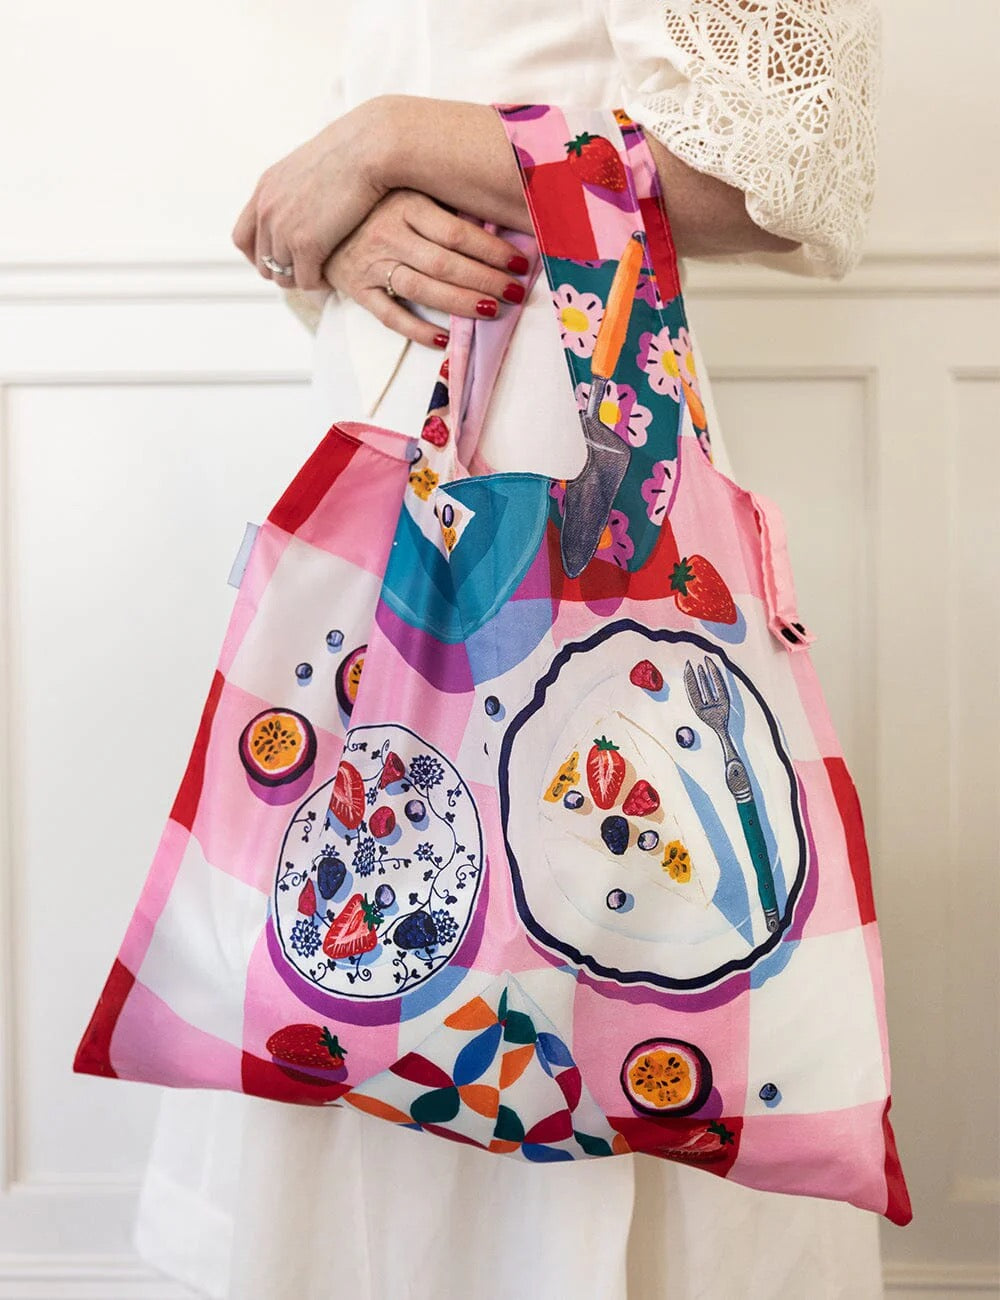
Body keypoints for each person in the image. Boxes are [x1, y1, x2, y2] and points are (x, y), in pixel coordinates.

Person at [134, 4, 885, 1297]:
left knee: (582, 965)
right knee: (358, 952)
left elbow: (780, 170)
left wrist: (388, 142)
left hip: (575, 468)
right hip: (389, 457)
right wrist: (347, 215)